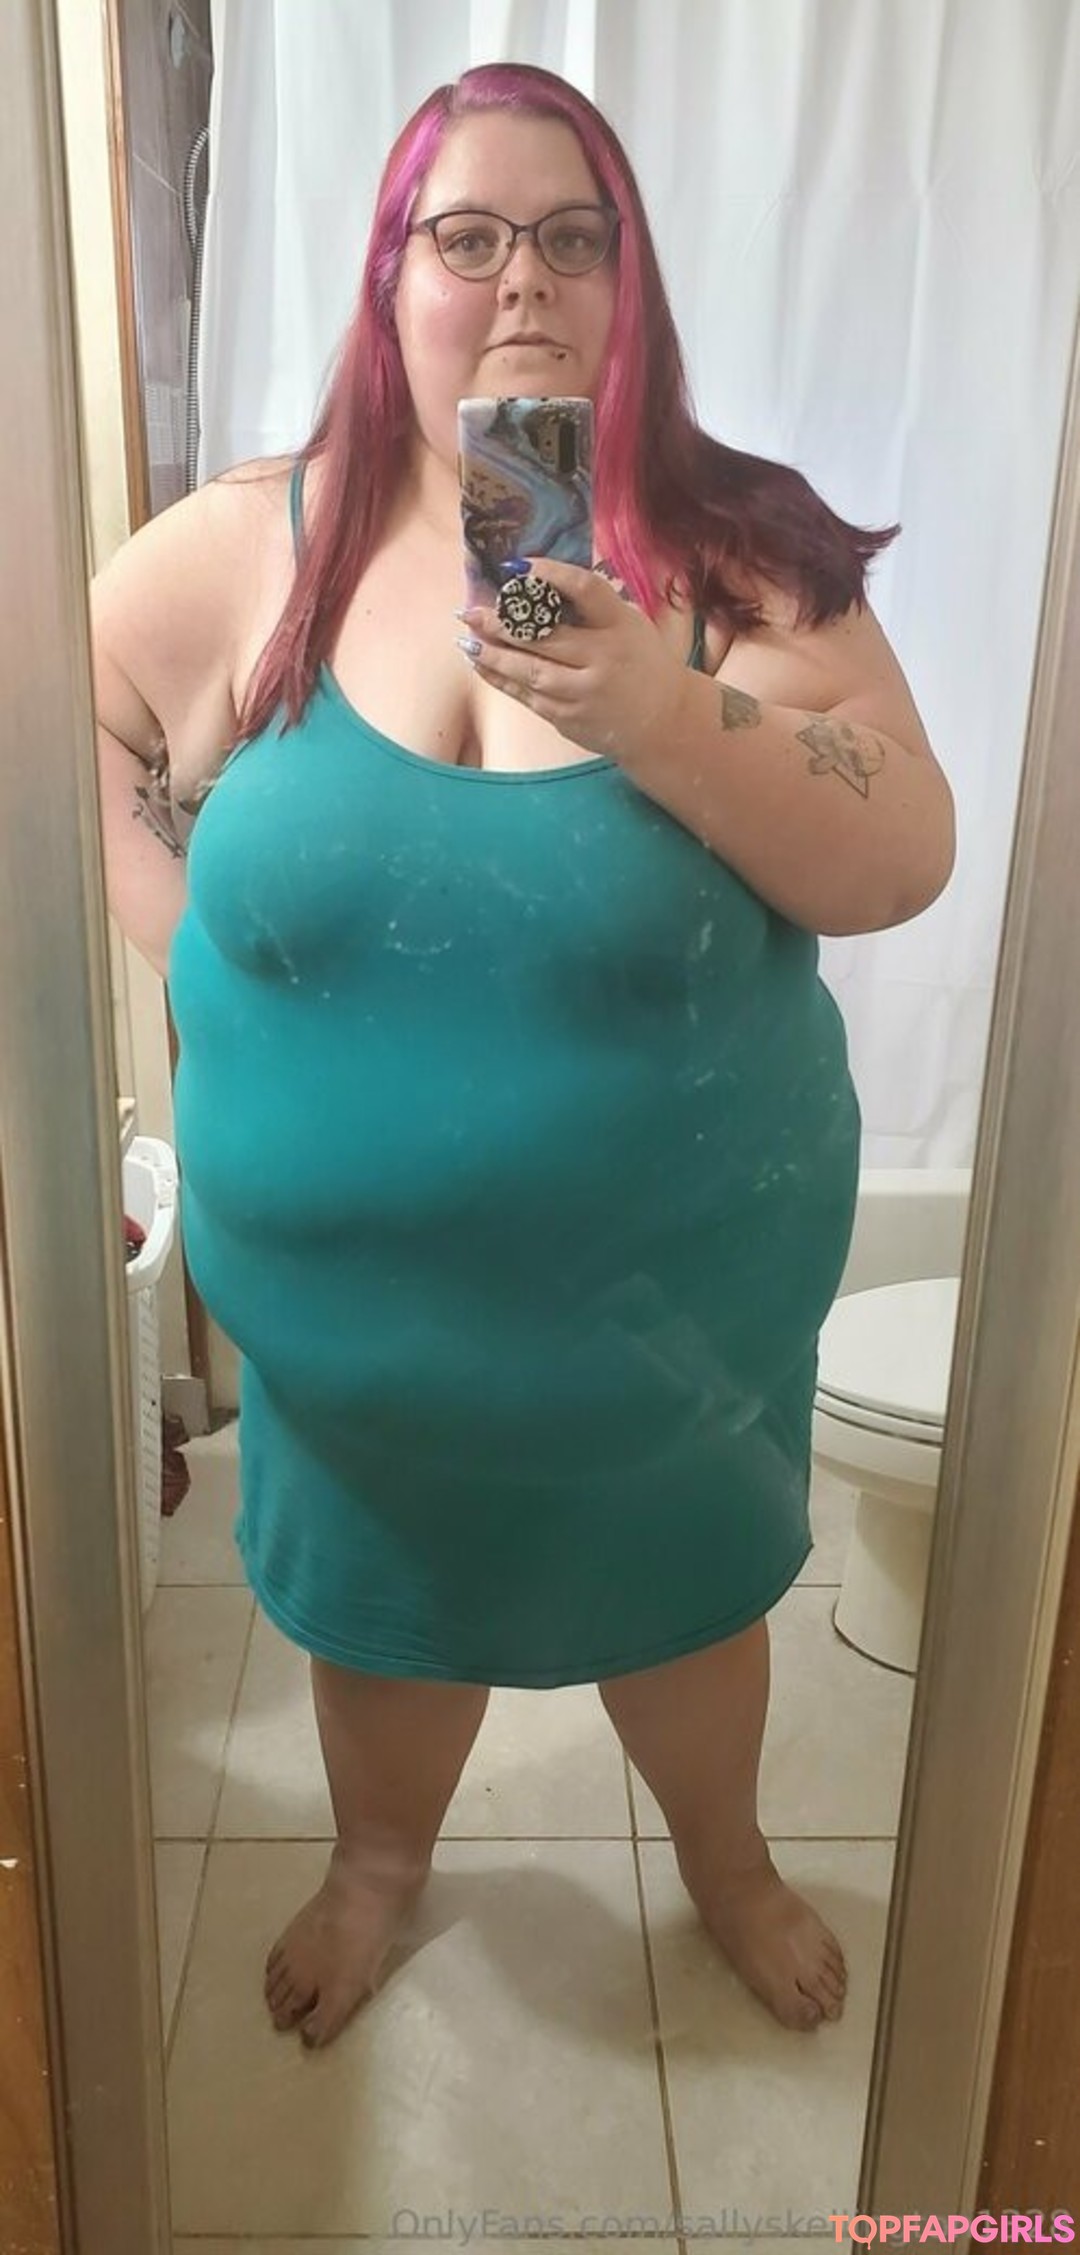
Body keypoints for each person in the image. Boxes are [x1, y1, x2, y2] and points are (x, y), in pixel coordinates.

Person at [91, 61, 956, 2055]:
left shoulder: (736, 559)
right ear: (386, 278)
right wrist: (184, 930)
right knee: (386, 1619)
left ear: (631, 280)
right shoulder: (257, 545)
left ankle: (727, 1861)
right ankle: (378, 1867)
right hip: (355, 1344)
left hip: (664, 1321)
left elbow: (904, 848)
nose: (523, 281)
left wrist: (658, 705)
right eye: (464, 236)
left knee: (687, 1601)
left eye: (576, 236)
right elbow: (51, 696)